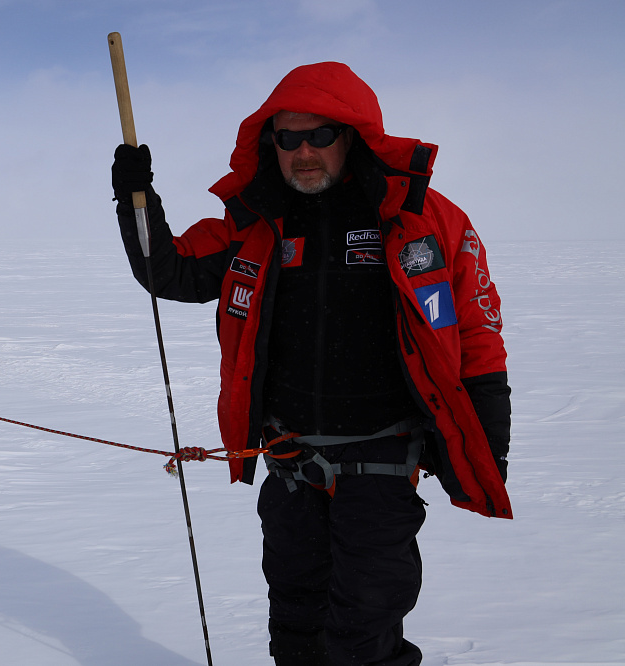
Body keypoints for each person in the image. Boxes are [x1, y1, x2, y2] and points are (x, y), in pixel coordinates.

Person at [110, 62, 511, 666]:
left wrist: (487, 438)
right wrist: (135, 194)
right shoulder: (252, 227)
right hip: (291, 463)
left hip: (382, 460)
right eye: (287, 138)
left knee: (362, 636)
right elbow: (167, 270)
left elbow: (478, 333)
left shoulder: (424, 220)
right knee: (297, 627)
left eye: (319, 135)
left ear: (352, 137)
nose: (303, 152)